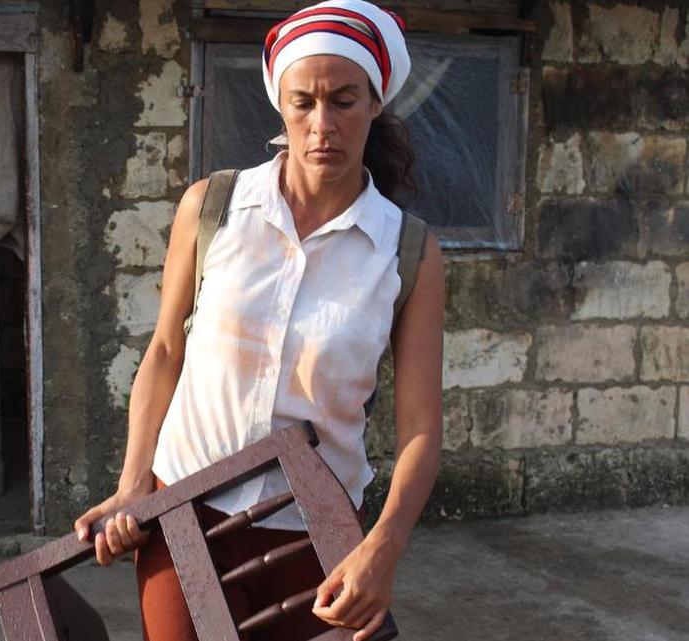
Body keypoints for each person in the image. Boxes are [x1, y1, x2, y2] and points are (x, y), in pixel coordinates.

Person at [73, 1, 444, 639]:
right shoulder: (212, 207)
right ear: (281, 104)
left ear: (377, 103)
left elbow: (420, 428)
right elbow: (165, 352)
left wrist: (383, 549)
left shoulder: (405, 250)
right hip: (184, 511)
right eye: (303, 102)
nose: (321, 124)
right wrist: (134, 483)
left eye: (344, 100)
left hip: (314, 532)